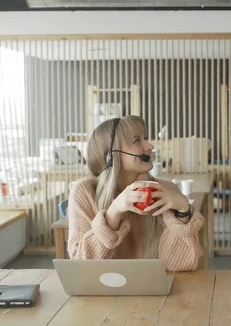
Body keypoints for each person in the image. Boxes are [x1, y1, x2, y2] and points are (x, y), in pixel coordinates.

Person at [67, 115, 204, 272]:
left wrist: (183, 212)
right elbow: (79, 267)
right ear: (111, 155)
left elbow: (177, 266)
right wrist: (113, 214)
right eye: (137, 140)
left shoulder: (166, 192)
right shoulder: (84, 193)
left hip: (155, 292)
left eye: (145, 138)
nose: (150, 146)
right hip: (102, 294)